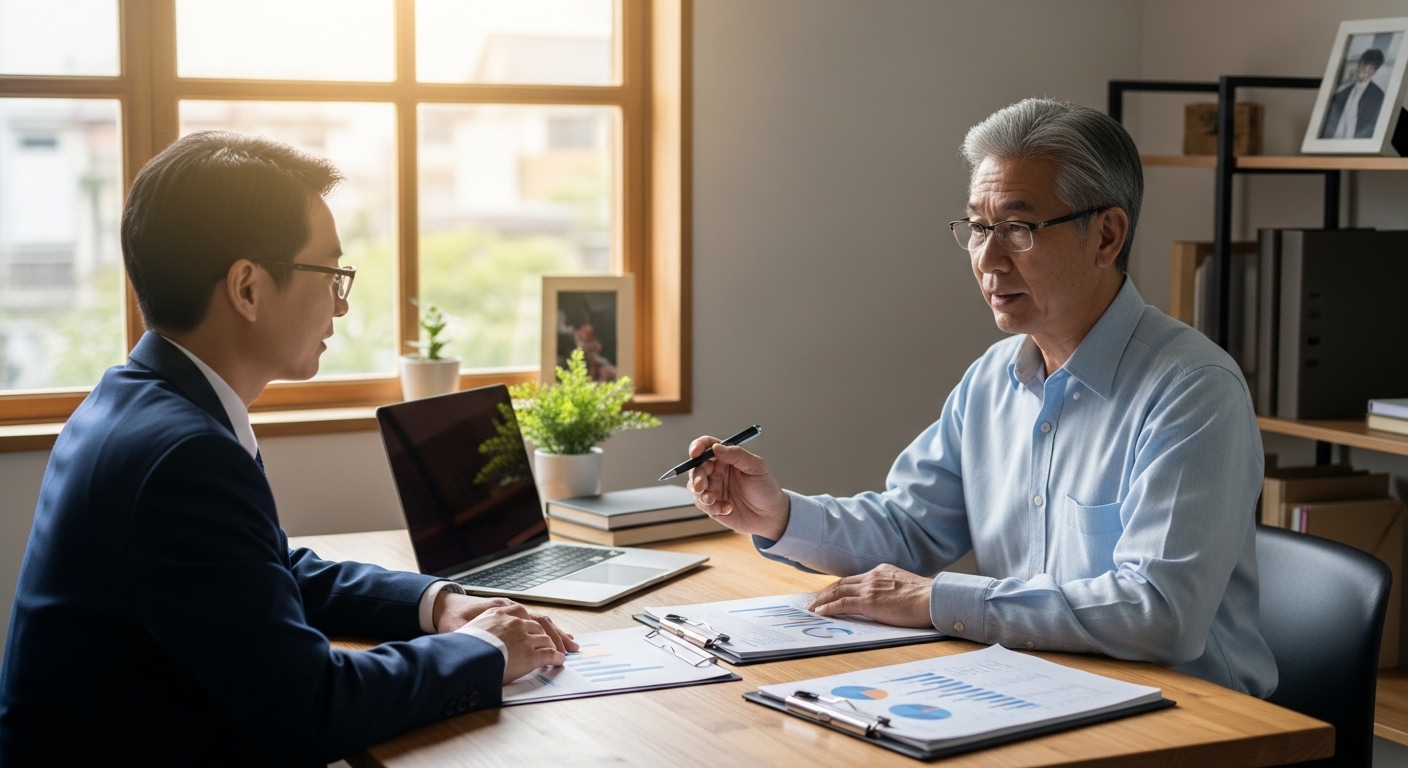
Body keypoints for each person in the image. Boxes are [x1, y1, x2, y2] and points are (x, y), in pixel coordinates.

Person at [0, 132, 578, 766]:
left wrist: (437, 603)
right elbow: (314, 707)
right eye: (329, 272)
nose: (342, 303)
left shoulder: (138, 401)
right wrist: (486, 651)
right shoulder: (185, 455)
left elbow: (267, 569)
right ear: (246, 288)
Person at [686, 99, 1277, 697]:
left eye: (1019, 229)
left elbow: (1158, 613)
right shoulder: (994, 378)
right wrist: (779, 514)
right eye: (977, 228)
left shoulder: (1193, 390)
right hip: (1034, 686)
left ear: (1106, 235)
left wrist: (938, 600)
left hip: (1190, 719)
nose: (988, 260)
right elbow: (910, 529)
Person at [1322, 47, 1386, 140]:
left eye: (1371, 68)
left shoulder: (1378, 95)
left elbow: (1373, 125)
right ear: (1360, 64)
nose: (1366, 70)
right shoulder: (1342, 92)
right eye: (1364, 65)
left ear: (1375, 71)